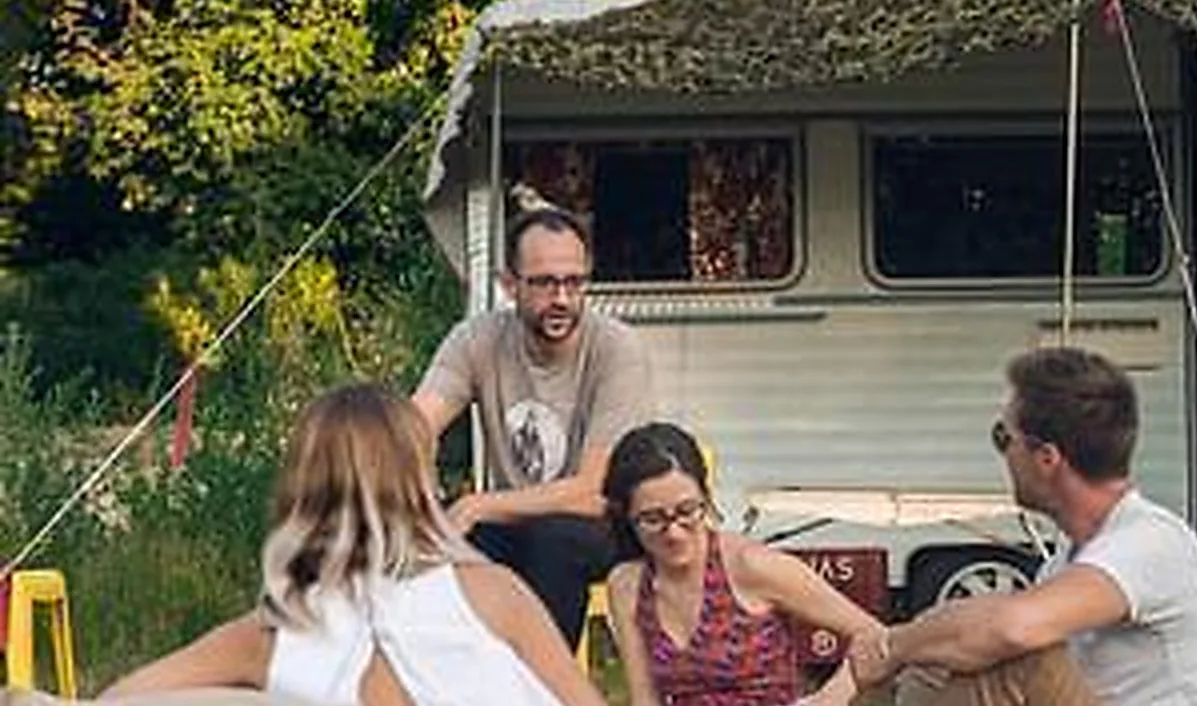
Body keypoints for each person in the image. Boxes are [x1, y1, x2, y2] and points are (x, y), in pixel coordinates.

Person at [99, 383, 608, 706]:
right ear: (419, 480)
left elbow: (120, 699)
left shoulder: (272, 634)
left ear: (300, 491)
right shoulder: (493, 597)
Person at [848, 345, 1197, 706]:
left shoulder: (1151, 541)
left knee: (1020, 654)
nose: (1002, 455)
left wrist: (892, 646)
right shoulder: (1067, 563)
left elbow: (1013, 628)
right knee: (939, 658)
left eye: (1003, 437)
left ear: (1047, 458)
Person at [412, 205, 655, 649]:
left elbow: (593, 490)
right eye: (544, 283)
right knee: (446, 553)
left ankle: (545, 688)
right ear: (509, 285)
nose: (561, 298)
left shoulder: (617, 348)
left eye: (573, 282)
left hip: (604, 523)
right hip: (513, 522)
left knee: (552, 541)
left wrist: (475, 505)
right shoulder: (477, 339)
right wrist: (422, 500)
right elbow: (413, 426)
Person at [602, 422, 883, 706]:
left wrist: (828, 699)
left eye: (687, 511)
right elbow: (644, 699)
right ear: (627, 518)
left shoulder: (750, 566)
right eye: (653, 519)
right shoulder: (628, 584)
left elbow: (877, 636)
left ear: (706, 498)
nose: (674, 532)